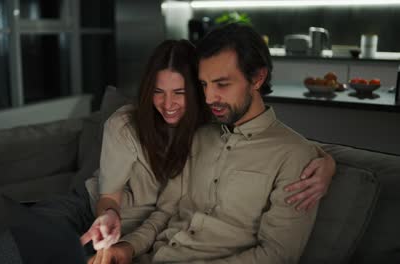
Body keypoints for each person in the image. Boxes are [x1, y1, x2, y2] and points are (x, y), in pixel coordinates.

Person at [0, 37, 334, 263]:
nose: (168, 104)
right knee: (10, 248)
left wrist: (324, 159)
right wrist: (116, 228)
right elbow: (116, 198)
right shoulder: (131, 125)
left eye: (181, 92)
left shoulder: (213, 126)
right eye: (159, 91)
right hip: (98, 212)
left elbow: (274, 143)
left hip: (138, 236)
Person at [88, 23, 329, 264]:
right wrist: (126, 249)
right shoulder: (200, 135)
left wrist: (326, 160)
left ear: (257, 78)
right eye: (203, 85)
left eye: (222, 84)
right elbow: (165, 212)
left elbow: (277, 255)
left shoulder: (295, 155)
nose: (209, 97)